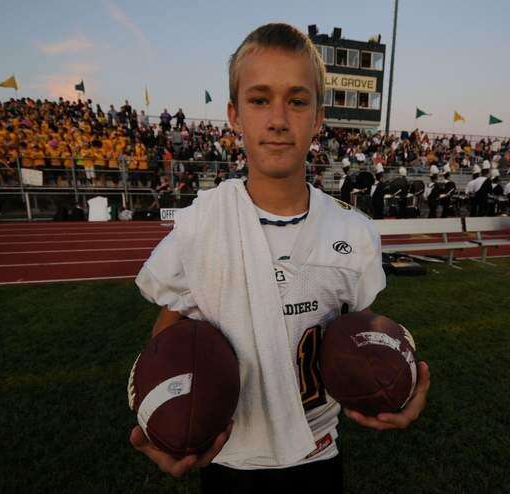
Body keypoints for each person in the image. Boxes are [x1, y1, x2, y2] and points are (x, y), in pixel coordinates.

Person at [130, 23, 430, 493]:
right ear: (234, 115)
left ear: (318, 117)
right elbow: (168, 345)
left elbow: (359, 336)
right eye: (259, 100)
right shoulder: (200, 225)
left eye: (296, 101)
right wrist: (167, 422)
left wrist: (396, 381)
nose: (277, 119)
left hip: (319, 453)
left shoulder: (353, 230)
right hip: (228, 457)